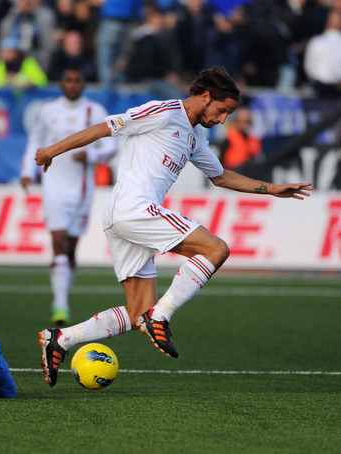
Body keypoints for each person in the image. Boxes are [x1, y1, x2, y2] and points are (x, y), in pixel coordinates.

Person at [34, 66, 312, 386]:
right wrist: (51, 151)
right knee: (216, 249)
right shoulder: (165, 112)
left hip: (123, 217)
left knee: (138, 311)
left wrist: (272, 189)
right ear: (206, 97)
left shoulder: (195, 136)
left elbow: (220, 176)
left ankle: (61, 339)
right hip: (133, 208)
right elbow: (106, 127)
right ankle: (161, 316)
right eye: (222, 111)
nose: (223, 120)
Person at [20, 67, 116, 326]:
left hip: (82, 190)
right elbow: (35, 142)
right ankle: (60, 304)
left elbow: (111, 146)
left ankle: (63, 293)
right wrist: (27, 170)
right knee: (59, 243)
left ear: (83, 84)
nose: (72, 84)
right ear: (61, 83)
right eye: (68, 80)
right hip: (52, 187)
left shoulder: (93, 111)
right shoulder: (49, 110)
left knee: (71, 249)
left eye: (77, 80)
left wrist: (91, 156)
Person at [218, 106, 262, 170]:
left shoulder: (254, 140)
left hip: (248, 173)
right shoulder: (229, 138)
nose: (244, 124)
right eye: (241, 121)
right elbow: (221, 159)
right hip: (232, 171)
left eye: (246, 121)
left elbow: (257, 160)